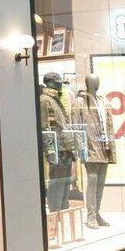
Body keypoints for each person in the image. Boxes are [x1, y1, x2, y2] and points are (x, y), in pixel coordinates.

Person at [73, 74, 114, 229]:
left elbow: (109, 124)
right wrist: (81, 147)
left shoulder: (103, 101)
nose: (96, 83)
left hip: (104, 147)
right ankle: (90, 215)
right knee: (92, 180)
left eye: (97, 81)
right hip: (90, 147)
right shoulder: (80, 102)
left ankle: (96, 213)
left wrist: (111, 146)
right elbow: (76, 126)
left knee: (100, 182)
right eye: (92, 81)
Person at [39, 72, 74, 212]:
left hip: (65, 148)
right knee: (56, 185)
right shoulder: (45, 100)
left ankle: (63, 212)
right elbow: (45, 129)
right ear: (51, 83)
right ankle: (55, 213)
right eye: (58, 83)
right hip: (58, 149)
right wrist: (51, 152)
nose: (61, 86)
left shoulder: (55, 99)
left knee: (65, 183)